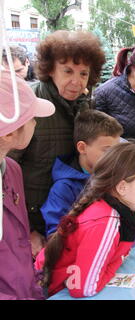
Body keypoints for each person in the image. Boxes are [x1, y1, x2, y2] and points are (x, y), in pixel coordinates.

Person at [8, 30, 106, 257]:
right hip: (30, 220)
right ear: (50, 69)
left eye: (83, 73)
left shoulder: (85, 106)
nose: (76, 81)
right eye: (68, 71)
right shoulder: (28, 104)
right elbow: (5, 173)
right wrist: (28, 227)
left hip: (65, 215)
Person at [35, 142, 135, 298]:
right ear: (122, 188)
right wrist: (114, 264)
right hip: (48, 291)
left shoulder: (122, 208)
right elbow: (85, 288)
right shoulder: (105, 222)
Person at [0, 70, 55, 299]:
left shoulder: (11, 169)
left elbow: (20, 243)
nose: (35, 123)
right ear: (9, 133)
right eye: (31, 118)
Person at [41, 110, 123, 238]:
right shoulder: (64, 188)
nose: (114, 157)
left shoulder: (117, 176)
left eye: (116, 150)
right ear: (82, 148)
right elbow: (55, 235)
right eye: (106, 150)